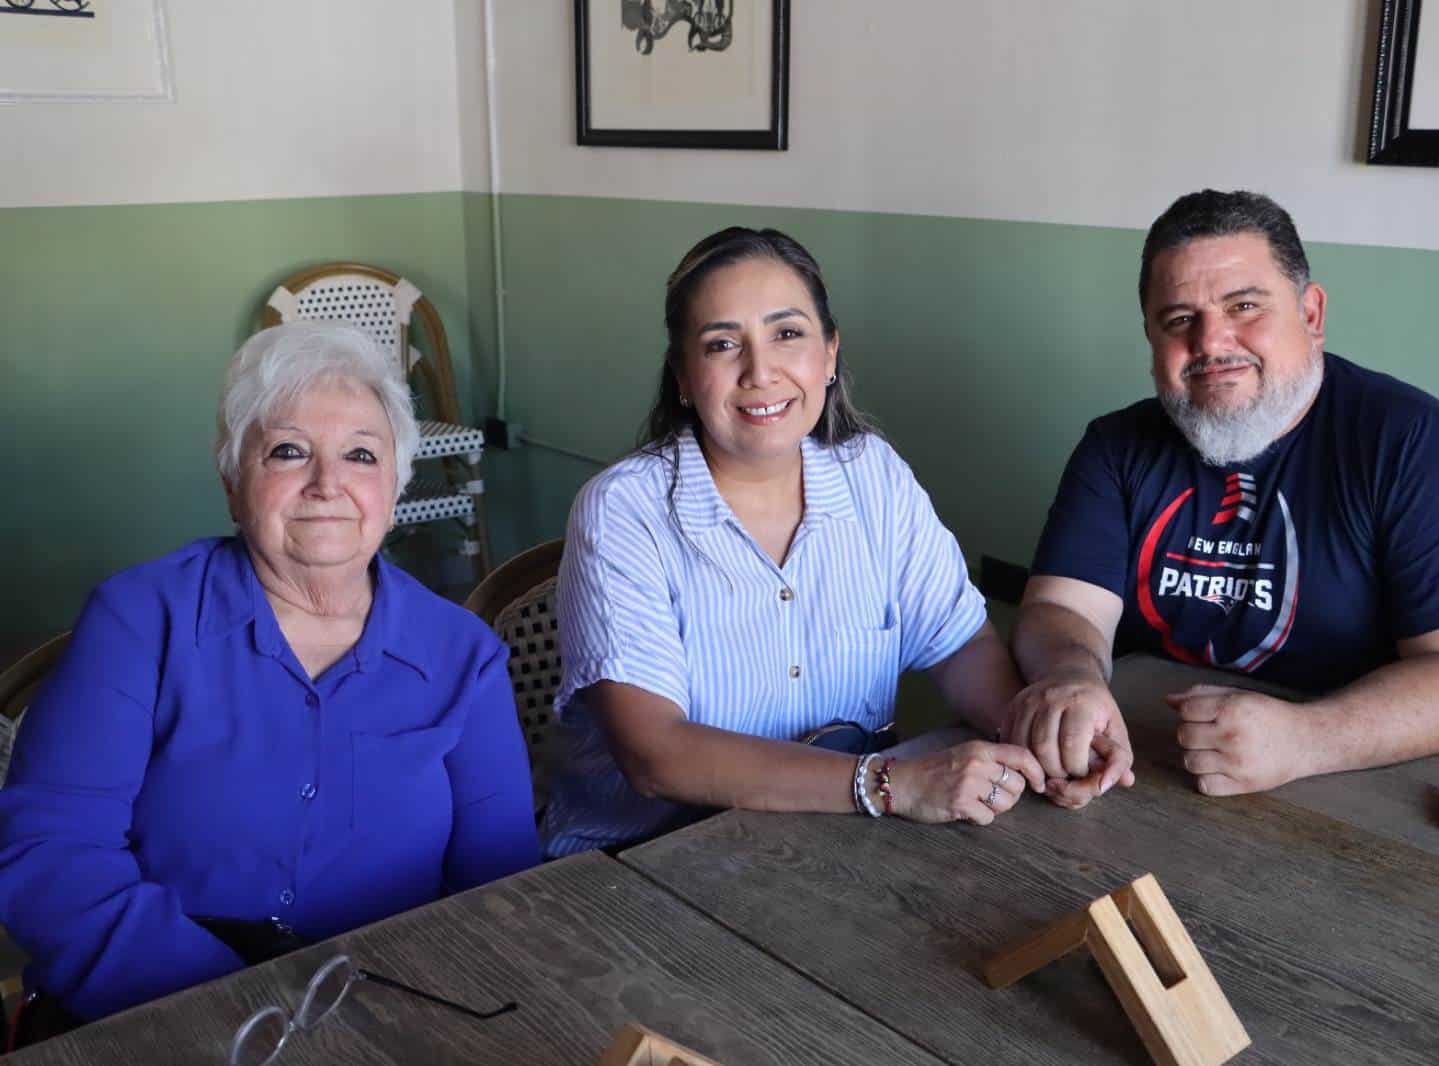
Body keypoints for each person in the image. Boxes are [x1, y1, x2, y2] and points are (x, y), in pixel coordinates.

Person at [0, 322, 540, 1026]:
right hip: (151, 1015)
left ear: (396, 484)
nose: (327, 483)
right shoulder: (139, 621)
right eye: (289, 451)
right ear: (232, 482)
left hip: (392, 1013)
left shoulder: (463, 656)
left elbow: (495, 889)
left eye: (360, 455)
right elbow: (51, 854)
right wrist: (245, 1007)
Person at [541, 227, 1047, 857]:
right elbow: (656, 754)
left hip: (836, 842)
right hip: (646, 867)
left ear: (829, 354)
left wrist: (1036, 741)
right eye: (723, 344)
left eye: (787, 334)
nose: (760, 371)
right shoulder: (623, 511)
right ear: (681, 376)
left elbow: (960, 644)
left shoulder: (873, 475)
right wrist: (888, 784)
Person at [1012, 189, 1439, 800]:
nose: (1211, 342)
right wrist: (1072, 676)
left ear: (1311, 313)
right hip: (1144, 764)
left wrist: (1308, 738)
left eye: (1244, 306)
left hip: (1360, 776)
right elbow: (1062, 609)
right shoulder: (1116, 445)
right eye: (1179, 320)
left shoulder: (1414, 439)